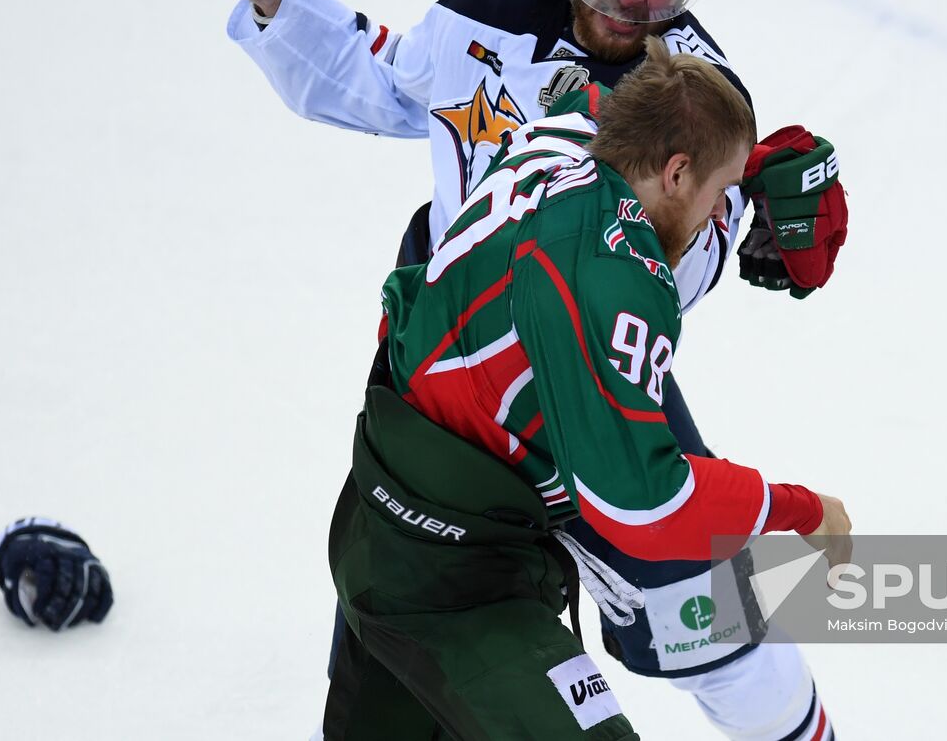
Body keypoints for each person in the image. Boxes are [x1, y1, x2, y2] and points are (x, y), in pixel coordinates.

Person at [229, 0, 848, 739]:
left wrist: (750, 222)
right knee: (409, 610)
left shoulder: (691, 88)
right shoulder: (491, 6)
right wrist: (284, 8)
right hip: (449, 362)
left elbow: (676, 261)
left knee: (709, 604)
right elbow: (395, 82)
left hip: (585, 361)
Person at [326, 38, 851, 739]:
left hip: (383, 512)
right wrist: (798, 508)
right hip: (453, 584)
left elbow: (589, 95)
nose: (719, 216)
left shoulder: (561, 137)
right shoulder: (613, 278)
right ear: (674, 172)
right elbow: (645, 506)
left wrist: (746, 158)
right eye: (720, 193)